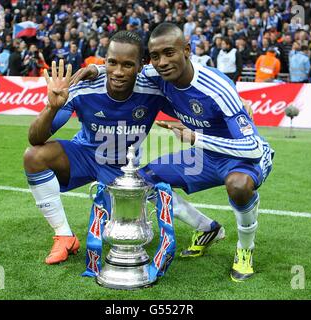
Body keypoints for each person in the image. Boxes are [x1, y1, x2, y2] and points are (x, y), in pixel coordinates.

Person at [78, 23, 274, 282]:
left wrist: (196, 137)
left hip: (242, 158)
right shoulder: (156, 75)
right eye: (155, 56)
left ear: (187, 50)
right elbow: (127, 67)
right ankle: (208, 229)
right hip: (205, 155)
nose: (162, 62)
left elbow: (253, 147)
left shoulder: (217, 86)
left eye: (169, 53)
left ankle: (245, 250)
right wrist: (96, 68)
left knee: (238, 185)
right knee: (143, 180)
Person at [23, 31, 221, 265]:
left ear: (141, 66)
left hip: (122, 166)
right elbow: (35, 137)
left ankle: (208, 227)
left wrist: (235, 102)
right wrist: (51, 107)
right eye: (112, 63)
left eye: (127, 65)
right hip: (84, 154)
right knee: (34, 156)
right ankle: (64, 235)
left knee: (148, 199)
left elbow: (192, 96)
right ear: (104, 61)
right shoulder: (84, 87)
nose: (118, 71)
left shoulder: (153, 88)